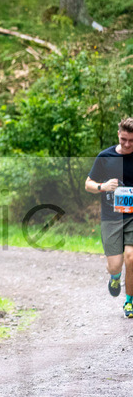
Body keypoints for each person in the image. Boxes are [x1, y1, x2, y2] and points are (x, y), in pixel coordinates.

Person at [85, 117, 133, 318]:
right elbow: (88, 183)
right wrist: (102, 187)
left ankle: (129, 302)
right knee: (115, 264)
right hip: (111, 218)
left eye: (132, 140)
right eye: (124, 139)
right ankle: (115, 277)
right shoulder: (105, 156)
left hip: (132, 217)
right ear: (118, 135)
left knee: (131, 258)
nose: (128, 144)